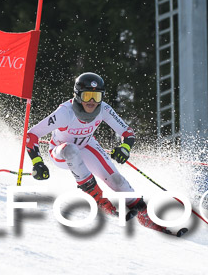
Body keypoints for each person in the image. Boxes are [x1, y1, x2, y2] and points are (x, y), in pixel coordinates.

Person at [24, 72, 174, 234]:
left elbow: (128, 132)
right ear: (77, 95)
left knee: (117, 181)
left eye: (96, 96)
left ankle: (149, 220)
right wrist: (37, 162)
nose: (92, 101)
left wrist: (125, 148)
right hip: (61, 152)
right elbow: (32, 134)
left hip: (87, 146)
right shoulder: (65, 113)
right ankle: (99, 199)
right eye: (87, 95)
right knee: (71, 149)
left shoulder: (104, 109)